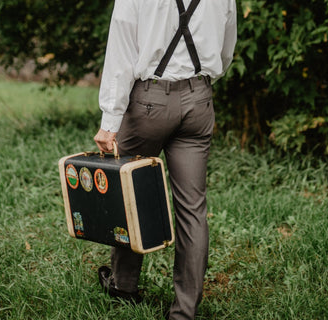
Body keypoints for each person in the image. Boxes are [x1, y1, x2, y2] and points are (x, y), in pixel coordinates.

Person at [94, 0, 237, 319]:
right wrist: (199, 80)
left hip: (149, 101)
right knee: (192, 209)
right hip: (200, 100)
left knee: (131, 193)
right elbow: (227, 50)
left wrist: (110, 120)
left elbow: (121, 48)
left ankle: (123, 286)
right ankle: (184, 311)